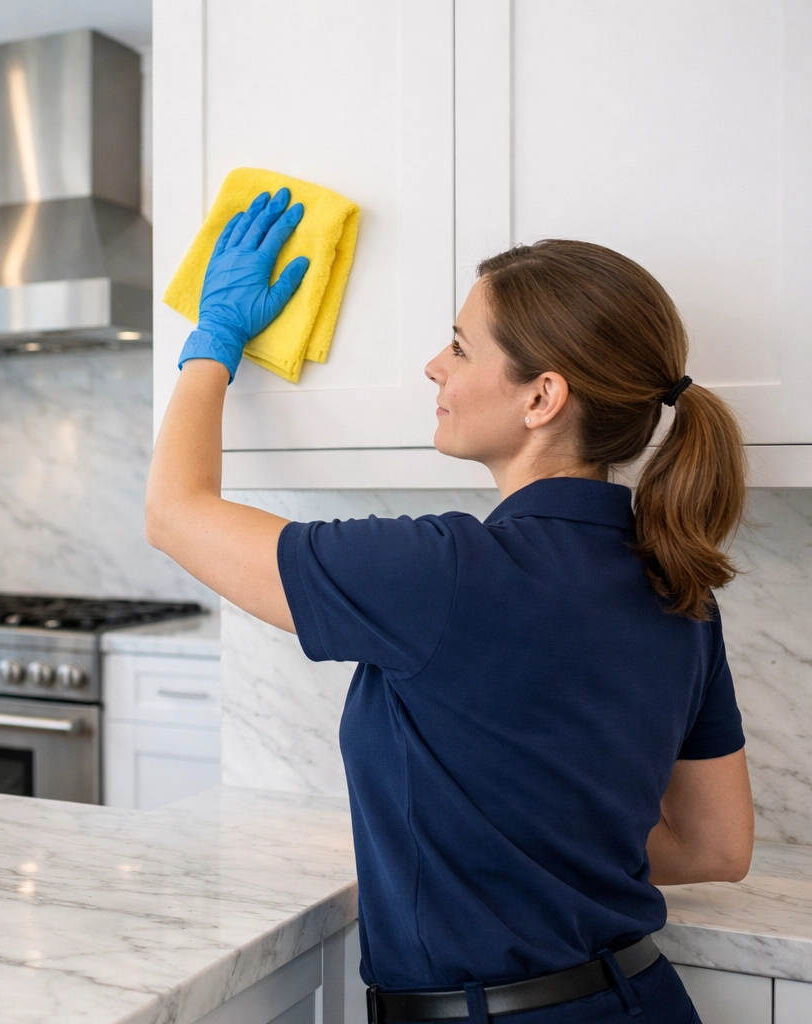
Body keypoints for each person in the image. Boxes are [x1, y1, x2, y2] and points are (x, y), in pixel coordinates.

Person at [145, 189, 754, 1024]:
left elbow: (174, 514)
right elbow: (716, 846)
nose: (435, 364)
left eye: (461, 347)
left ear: (542, 398)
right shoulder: (681, 586)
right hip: (641, 1001)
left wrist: (211, 341)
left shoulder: (442, 573)